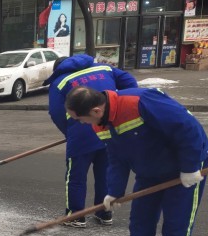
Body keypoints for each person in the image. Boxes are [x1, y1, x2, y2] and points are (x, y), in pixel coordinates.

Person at [64, 86, 208, 236]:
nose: (80, 123)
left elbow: (187, 128)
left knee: (176, 224)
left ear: (96, 110)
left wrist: (190, 167)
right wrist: (114, 192)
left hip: (184, 168)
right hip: (149, 170)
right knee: (140, 220)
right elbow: (116, 157)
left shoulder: (139, 102)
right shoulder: (100, 123)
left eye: (79, 118)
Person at [45, 54, 138, 227]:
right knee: (104, 173)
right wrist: (115, 110)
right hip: (108, 128)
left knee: (76, 177)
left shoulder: (60, 82)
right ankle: (104, 213)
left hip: (80, 135)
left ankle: (75, 216)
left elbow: (56, 113)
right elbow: (130, 84)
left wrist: (69, 132)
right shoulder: (104, 68)